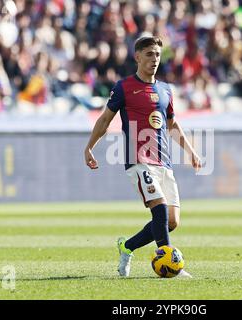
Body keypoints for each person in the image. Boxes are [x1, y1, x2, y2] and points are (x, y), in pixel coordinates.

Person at [84, 36, 201, 278]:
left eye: (157, 55)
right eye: (149, 54)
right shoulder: (124, 87)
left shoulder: (166, 90)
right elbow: (105, 119)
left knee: (171, 221)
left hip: (164, 161)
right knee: (159, 212)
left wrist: (191, 152)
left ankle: (127, 247)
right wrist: (89, 147)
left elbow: (173, 125)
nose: (154, 59)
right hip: (138, 160)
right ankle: (170, 265)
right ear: (137, 57)